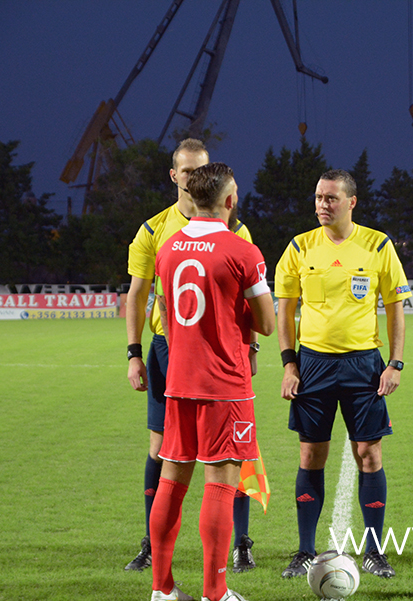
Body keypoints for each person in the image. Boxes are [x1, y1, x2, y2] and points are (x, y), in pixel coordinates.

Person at [125, 138, 260, 574]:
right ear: (175, 176)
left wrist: (251, 347)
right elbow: (139, 298)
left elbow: (162, 301)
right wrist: (134, 353)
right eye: (187, 171)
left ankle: (236, 545)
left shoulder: (195, 239)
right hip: (192, 355)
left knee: (186, 464)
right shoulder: (154, 230)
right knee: (195, 457)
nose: (193, 177)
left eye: (200, 170)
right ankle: (163, 551)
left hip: (195, 355)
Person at [274, 169, 412, 579]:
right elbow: (285, 311)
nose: (322, 204)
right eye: (318, 197)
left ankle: (375, 551)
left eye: (331, 198)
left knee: (369, 454)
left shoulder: (377, 245)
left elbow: (396, 308)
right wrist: (288, 364)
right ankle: (303, 551)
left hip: (364, 365)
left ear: (352, 202)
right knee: (310, 455)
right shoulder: (299, 247)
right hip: (313, 364)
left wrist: (395, 363)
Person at [150, 162, 275, 601]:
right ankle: (215, 593)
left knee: (172, 478)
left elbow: (165, 310)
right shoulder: (243, 251)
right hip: (224, 381)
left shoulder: (168, 248)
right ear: (228, 199)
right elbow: (267, 323)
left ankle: (162, 590)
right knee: (221, 480)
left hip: (179, 378)